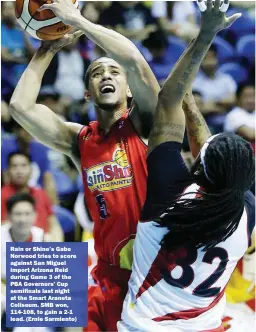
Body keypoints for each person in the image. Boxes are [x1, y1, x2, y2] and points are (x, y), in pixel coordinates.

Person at [9, 0, 160, 329]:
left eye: (113, 71)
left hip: (156, 275)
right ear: (88, 94)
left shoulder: (147, 124)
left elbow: (133, 58)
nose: (105, 75)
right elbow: (20, 106)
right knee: (36, 314)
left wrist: (78, 20)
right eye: (96, 72)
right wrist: (47, 48)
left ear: (129, 89)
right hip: (109, 276)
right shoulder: (80, 141)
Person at [119, 1, 254, 331]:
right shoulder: (247, 210)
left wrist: (205, 33)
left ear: (201, 166)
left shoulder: (169, 198)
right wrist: (190, 105)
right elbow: (213, 162)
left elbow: (167, 101)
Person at [1, 193, 44, 326]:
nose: (23, 219)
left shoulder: (40, 236)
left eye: (27, 214)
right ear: (8, 216)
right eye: (18, 214)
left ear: (35, 216)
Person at [1, 152, 63, 242]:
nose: (19, 171)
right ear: (7, 171)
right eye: (14, 166)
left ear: (31, 170)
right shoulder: (1, 195)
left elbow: (54, 224)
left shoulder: (41, 193)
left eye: (23, 165)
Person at [1, 122, 59, 205]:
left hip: (37, 193)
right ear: (16, 131)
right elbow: (7, 178)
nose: (27, 132)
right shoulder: (6, 147)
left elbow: (48, 179)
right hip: (15, 194)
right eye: (23, 128)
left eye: (30, 129)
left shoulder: (40, 148)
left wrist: (53, 205)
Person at [193, 44, 237, 115]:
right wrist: (222, 106)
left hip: (227, 117)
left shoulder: (226, 79)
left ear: (217, 59)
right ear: (199, 61)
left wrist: (213, 103)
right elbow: (199, 108)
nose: (209, 62)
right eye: (205, 58)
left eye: (212, 57)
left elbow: (233, 100)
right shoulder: (194, 82)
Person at [224, 84, 255, 150]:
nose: (251, 100)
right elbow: (250, 134)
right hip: (240, 153)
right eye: (246, 96)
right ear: (238, 98)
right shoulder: (234, 115)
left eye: (253, 96)